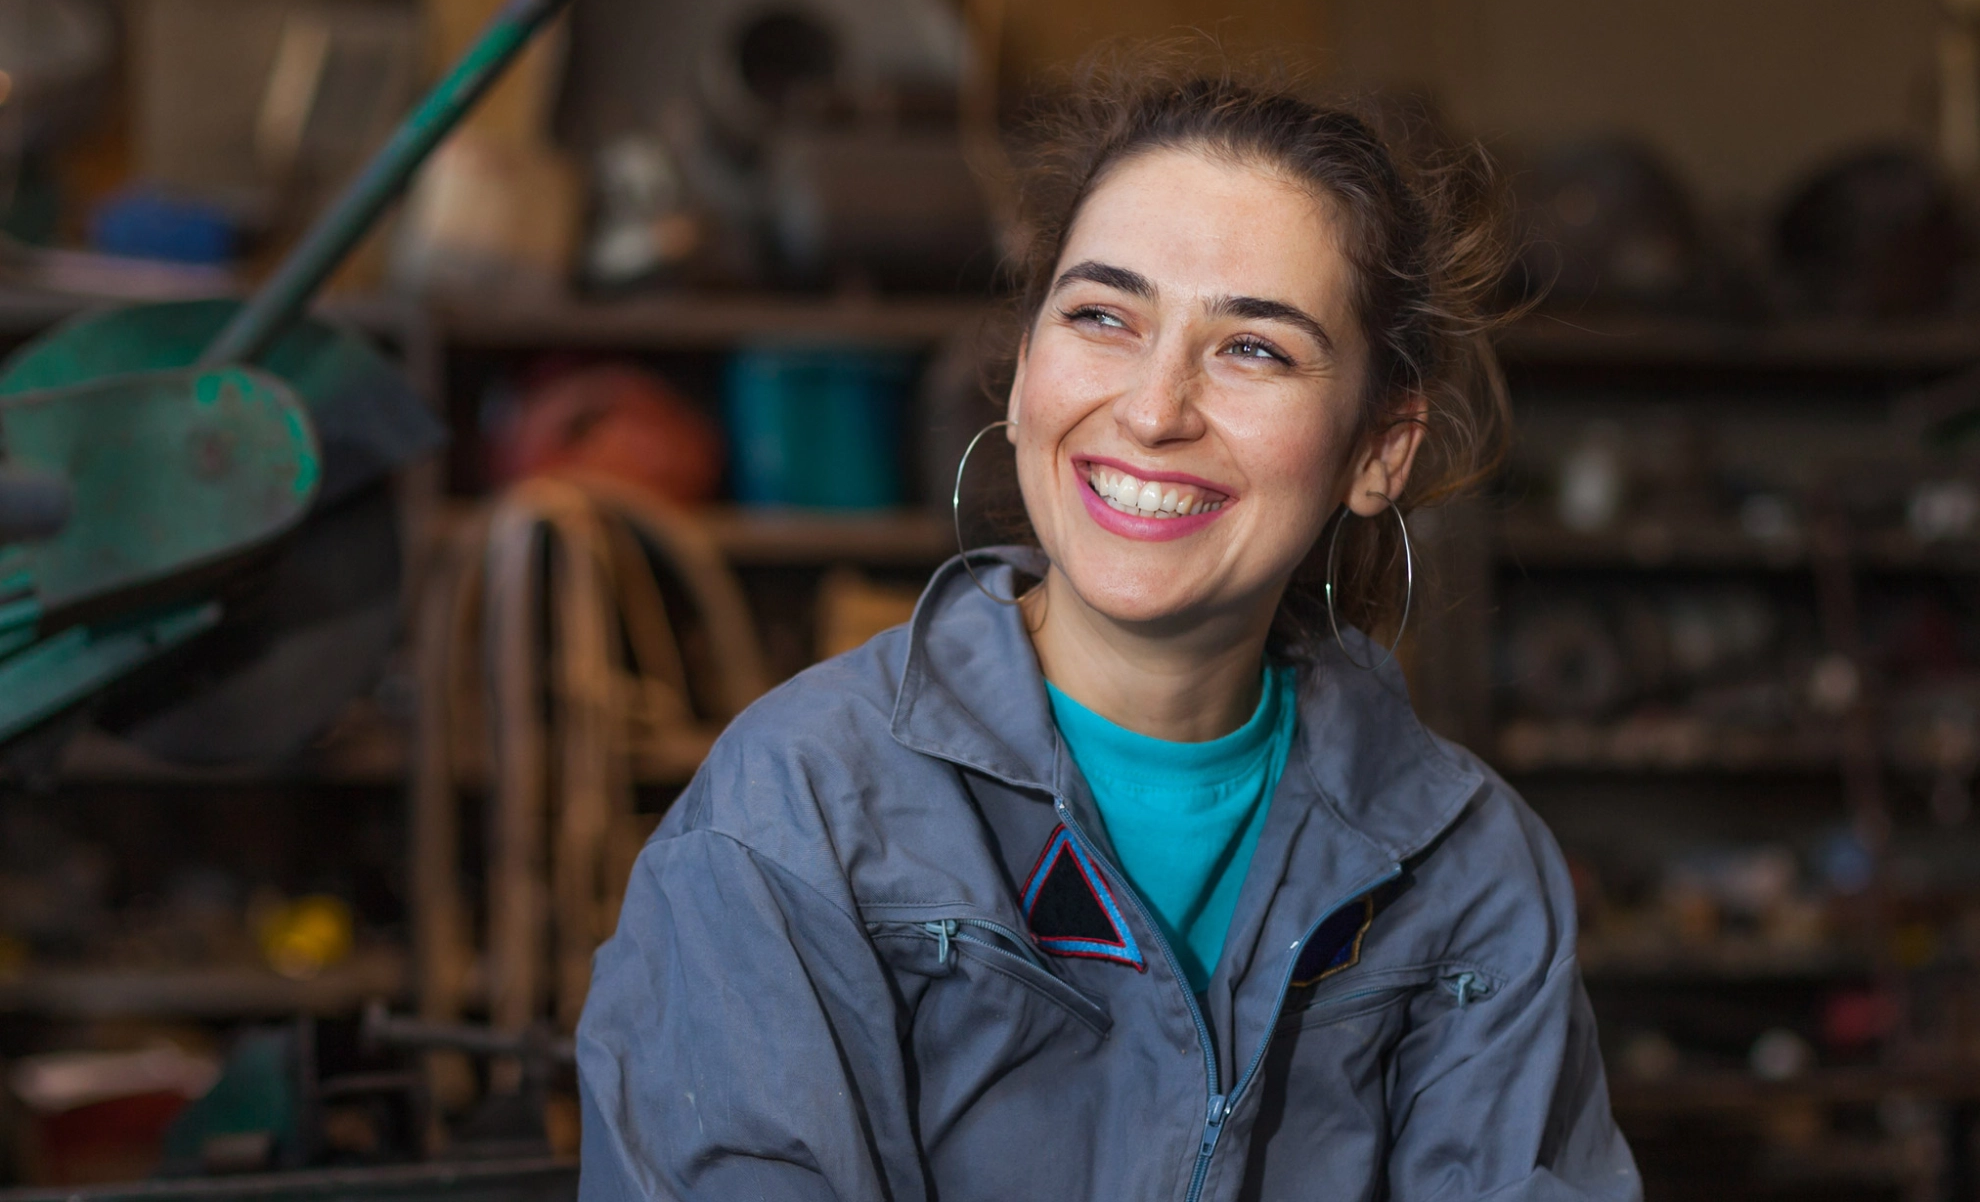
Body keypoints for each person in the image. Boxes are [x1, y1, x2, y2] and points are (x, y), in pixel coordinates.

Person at [576, 62, 1641, 1202]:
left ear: (1380, 449)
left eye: (1254, 349)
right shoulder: (794, 817)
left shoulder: (1469, 868)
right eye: (1101, 316)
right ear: (1027, 364)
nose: (1150, 409)